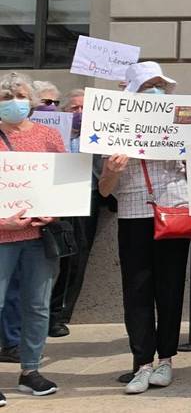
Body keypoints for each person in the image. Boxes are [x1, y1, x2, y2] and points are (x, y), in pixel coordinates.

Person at [97, 62, 191, 394]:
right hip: (134, 215)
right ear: (133, 92)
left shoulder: (181, 122)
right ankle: (142, 363)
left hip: (174, 211)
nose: (156, 90)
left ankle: (165, 359)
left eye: (160, 85)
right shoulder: (115, 129)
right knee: (136, 291)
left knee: (170, 288)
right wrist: (111, 169)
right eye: (149, 85)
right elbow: (104, 190)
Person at [0, 73, 62, 399]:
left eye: (20, 95)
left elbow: (65, 184)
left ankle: (30, 370)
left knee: (37, 306)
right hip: (1, 238)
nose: (14, 101)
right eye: (6, 96)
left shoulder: (50, 136)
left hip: (39, 237)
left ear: (32, 100)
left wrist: (56, 210)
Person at [47, 89, 94, 338]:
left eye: (83, 108)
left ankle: (60, 316)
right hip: (58, 197)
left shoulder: (100, 136)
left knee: (77, 255)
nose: (78, 113)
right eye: (73, 109)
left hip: (89, 197)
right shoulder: (53, 135)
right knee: (57, 256)